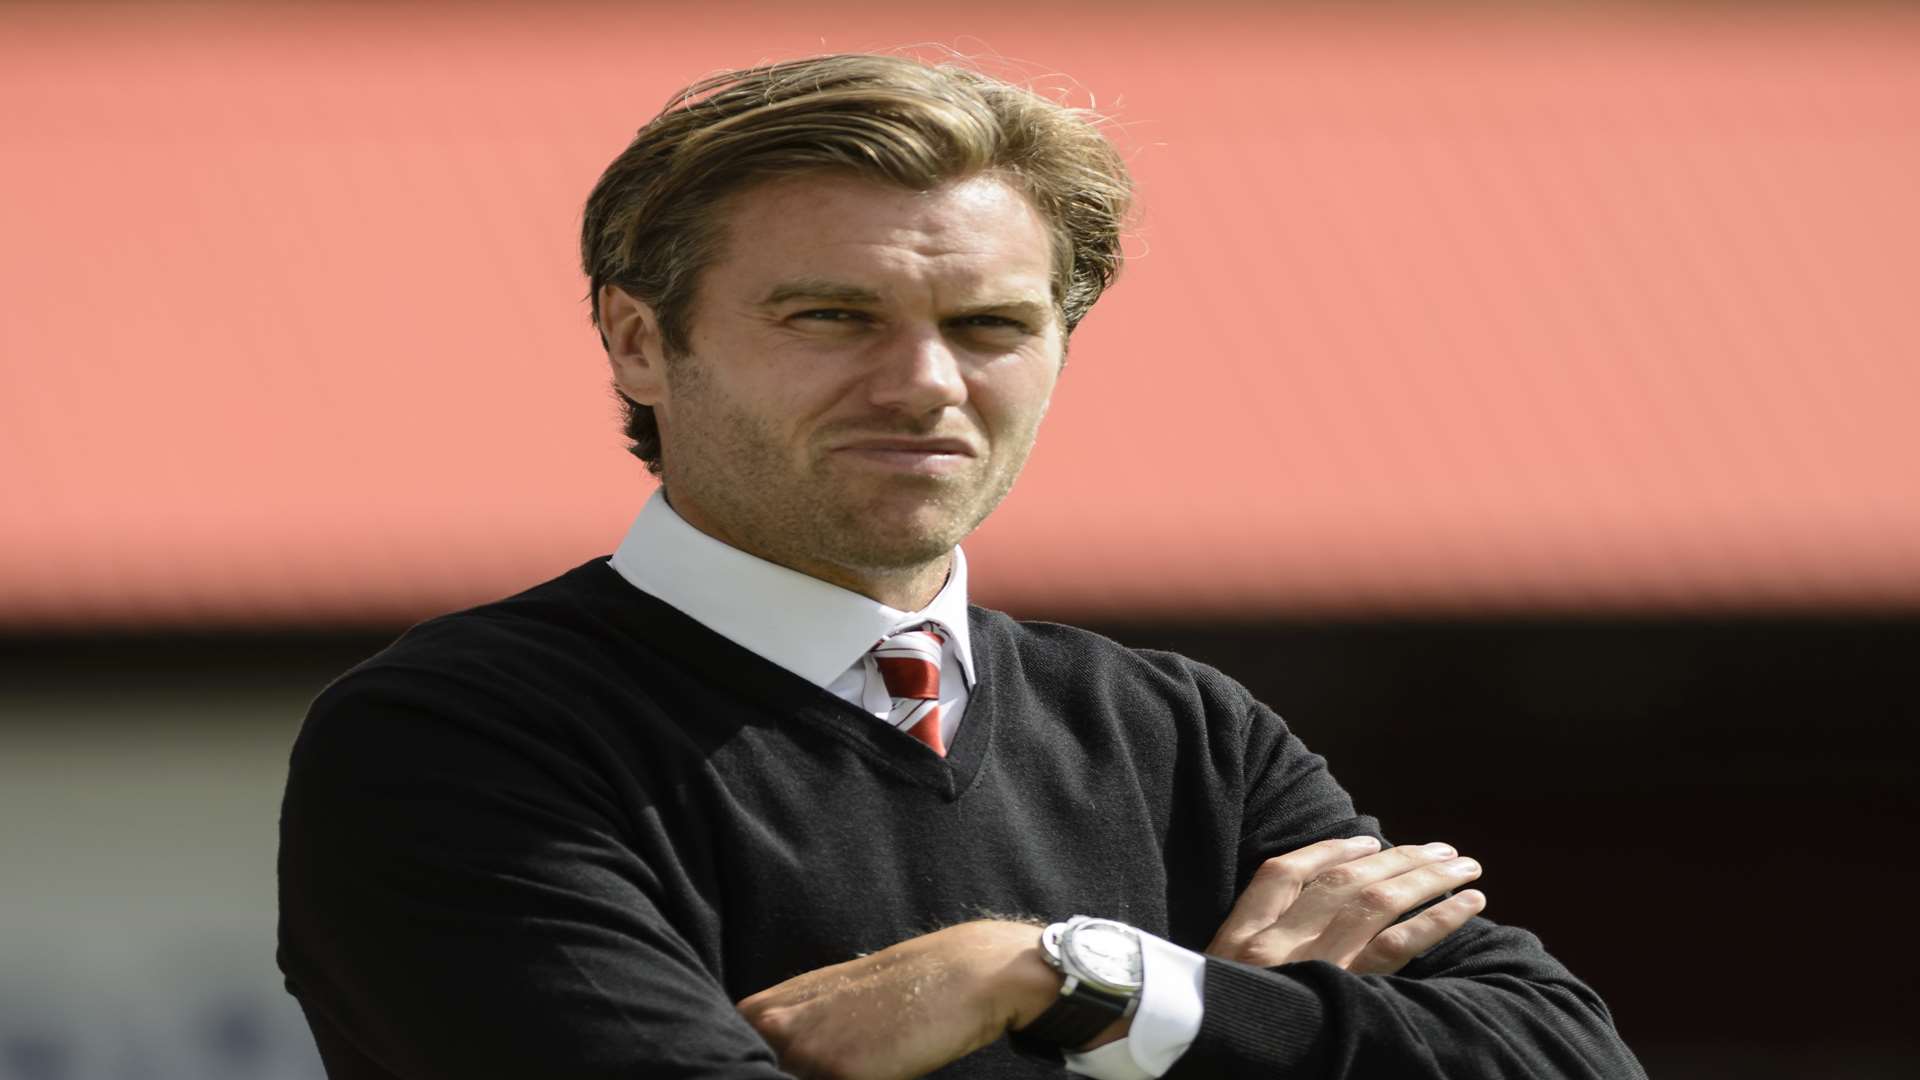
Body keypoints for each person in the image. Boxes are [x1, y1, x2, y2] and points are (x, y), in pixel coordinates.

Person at [277, 53, 1644, 1079]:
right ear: (640, 341)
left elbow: (1566, 1061)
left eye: (990, 322)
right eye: (833, 315)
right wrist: (1219, 1031)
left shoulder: (1184, 735)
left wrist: (1059, 977)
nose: (924, 383)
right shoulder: (454, 741)